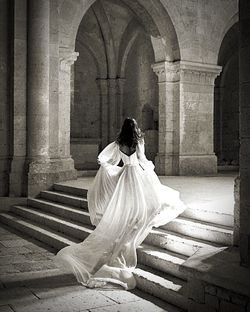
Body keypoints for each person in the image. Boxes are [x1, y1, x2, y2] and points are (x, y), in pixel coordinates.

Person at [55, 117, 186, 290]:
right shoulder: (138, 141)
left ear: (123, 129)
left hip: (124, 174)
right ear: (135, 128)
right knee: (147, 202)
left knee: (127, 203)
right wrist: (149, 168)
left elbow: (103, 159)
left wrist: (110, 170)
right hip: (137, 173)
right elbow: (142, 159)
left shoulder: (119, 143)